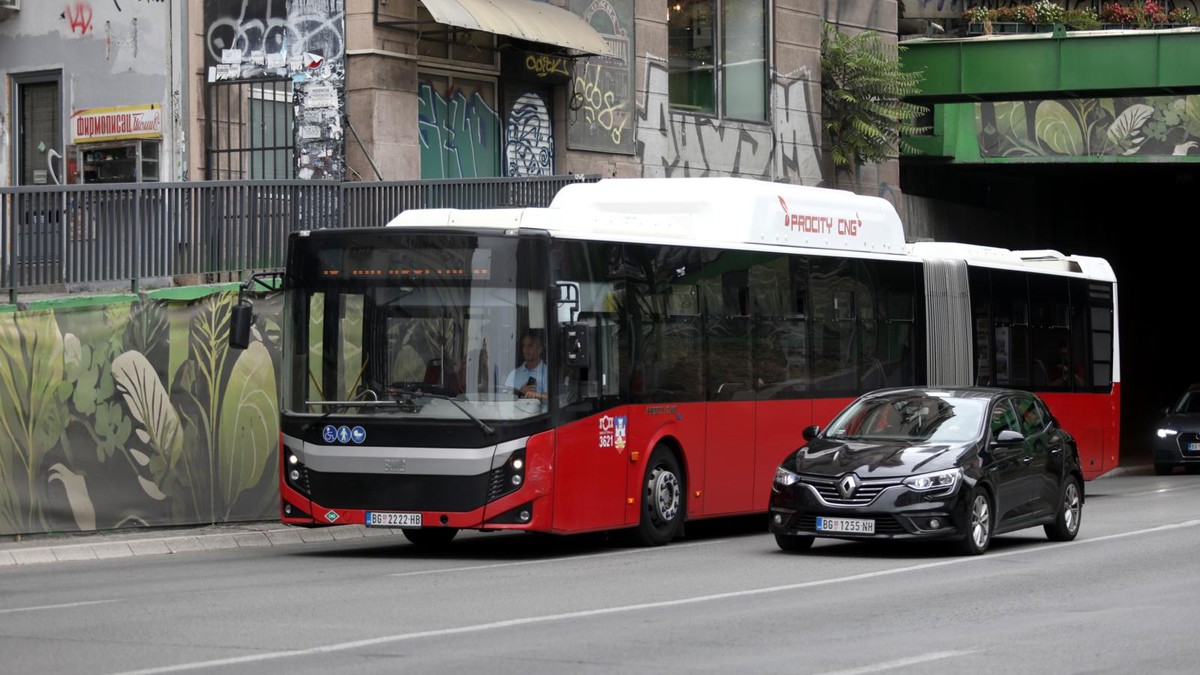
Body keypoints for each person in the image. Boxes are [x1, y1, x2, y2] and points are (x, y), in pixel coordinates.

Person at [505, 331, 547, 401]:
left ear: (540, 349)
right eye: (524, 346)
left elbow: (555, 398)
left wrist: (535, 395)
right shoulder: (513, 374)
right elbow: (505, 399)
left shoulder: (548, 373)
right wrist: (520, 392)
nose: (526, 349)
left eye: (530, 345)